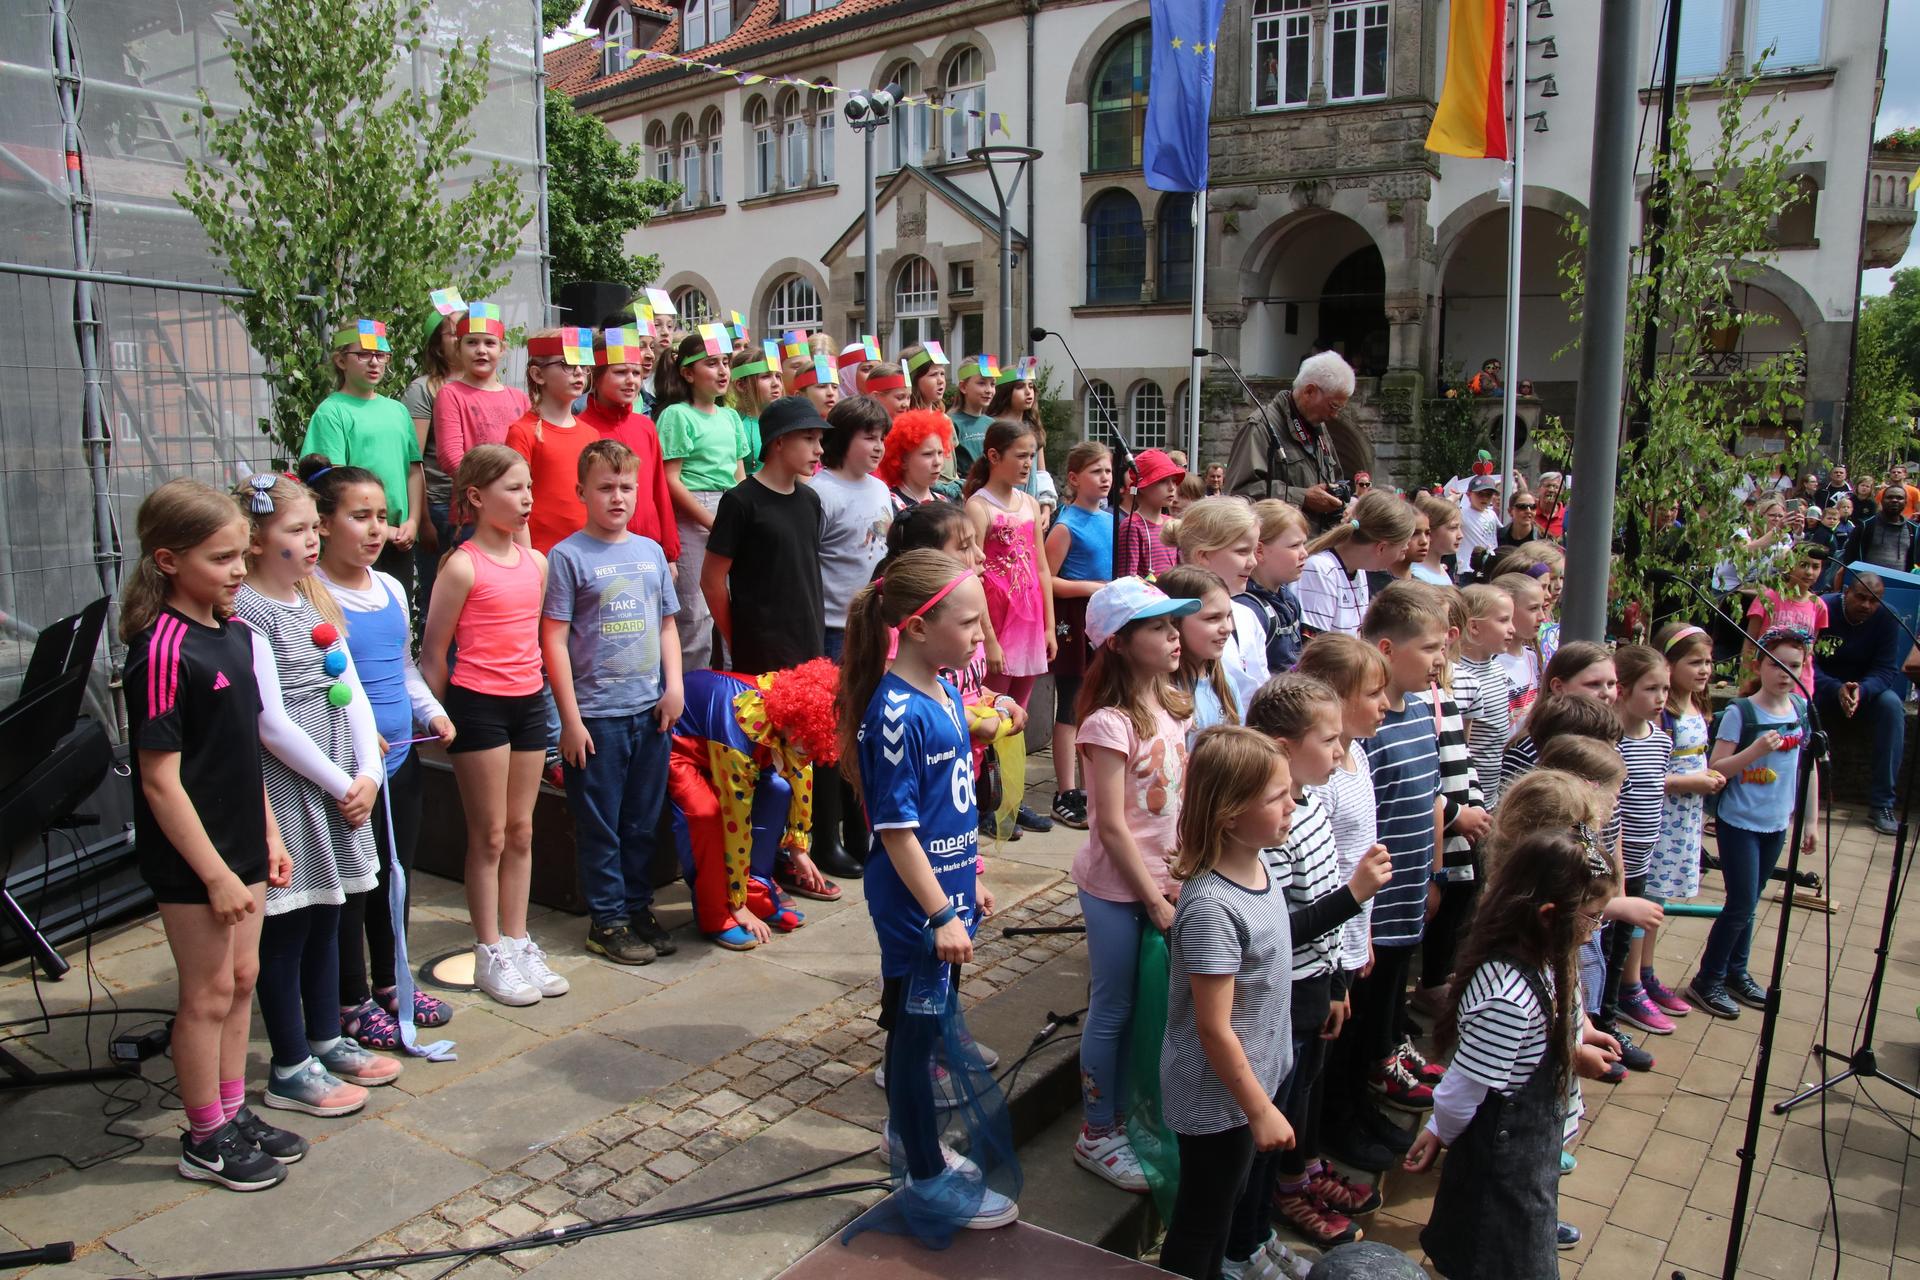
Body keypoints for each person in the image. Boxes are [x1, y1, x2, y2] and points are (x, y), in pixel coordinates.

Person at [123, 479, 301, 1190]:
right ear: (168, 561)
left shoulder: (233, 634)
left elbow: (240, 749)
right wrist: (217, 875)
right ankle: (204, 1136)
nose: (237, 570)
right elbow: (161, 780)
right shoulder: (161, 651)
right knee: (204, 994)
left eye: (240, 555)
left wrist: (269, 835)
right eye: (222, 558)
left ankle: (231, 1112)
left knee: (241, 979)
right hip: (194, 860)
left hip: (243, 845)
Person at [839, 549, 1021, 1234]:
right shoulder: (893, 713)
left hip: (945, 899)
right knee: (914, 1041)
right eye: (969, 622)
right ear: (916, 627)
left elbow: (951, 809)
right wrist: (942, 911)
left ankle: (910, 1138)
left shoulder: (945, 690)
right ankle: (922, 1169)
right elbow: (895, 831)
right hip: (916, 912)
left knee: (928, 1027)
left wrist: (969, 879)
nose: (981, 635)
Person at [230, 473, 393, 1116]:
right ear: (256, 541)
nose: (312, 538)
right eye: (295, 530)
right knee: (289, 925)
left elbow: (345, 687)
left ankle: (327, 1036)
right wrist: (338, 778)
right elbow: (270, 721)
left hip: (341, 781)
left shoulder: (312, 597)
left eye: (311, 527)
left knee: (331, 915)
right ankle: (290, 1062)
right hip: (290, 784)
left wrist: (368, 775)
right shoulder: (247, 611)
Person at [1405, 828, 1621, 1279]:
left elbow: (1546, 1031)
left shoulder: (1544, 953)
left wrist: (1576, 1043)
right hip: (1503, 1167)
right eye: (1594, 917)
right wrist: (1440, 1131)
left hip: (1531, 1155)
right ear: (1548, 914)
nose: (1598, 928)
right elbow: (1465, 1084)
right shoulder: (1507, 998)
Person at [307, 462, 456, 1046]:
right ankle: (350, 997)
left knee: (396, 879)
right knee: (353, 888)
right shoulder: (313, 596)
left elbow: (401, 669)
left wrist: (433, 713)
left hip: (401, 767)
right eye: (359, 516)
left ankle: (393, 979)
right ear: (322, 525)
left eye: (382, 517)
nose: (375, 530)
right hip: (347, 774)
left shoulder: (391, 587)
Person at [1245, 677, 1393, 1257]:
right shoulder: (1270, 827)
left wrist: (1336, 983)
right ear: (1283, 747)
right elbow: (1277, 932)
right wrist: (1355, 896)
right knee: (1271, 1126)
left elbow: (1322, 894)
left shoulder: (1309, 804)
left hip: (1313, 991)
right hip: (1279, 1000)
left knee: (1298, 1103)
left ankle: (1262, 1228)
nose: (1341, 752)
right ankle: (1250, 1238)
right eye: (1329, 740)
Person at [419, 446, 567, 1008]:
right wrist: (437, 718)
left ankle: (519, 938)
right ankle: (489, 951)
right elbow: (434, 653)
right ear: (477, 498)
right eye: (513, 488)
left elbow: (538, 640)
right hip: (478, 706)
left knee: (523, 830)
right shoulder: (461, 564)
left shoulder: (536, 563)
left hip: (529, 703)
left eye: (530, 486)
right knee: (489, 835)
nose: (527, 497)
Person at [1069, 578, 1200, 1192]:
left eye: (1175, 625)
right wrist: (1151, 895)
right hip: (1118, 890)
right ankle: (1097, 1130)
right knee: (1114, 1006)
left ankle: (1131, 1110)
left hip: (1166, 885)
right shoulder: (1107, 725)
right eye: (1158, 627)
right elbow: (1112, 825)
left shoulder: (1175, 704)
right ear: (1119, 643)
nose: (1174, 636)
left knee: (1150, 1004)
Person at [1156, 727, 1299, 1280]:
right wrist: (1259, 1108)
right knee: (1201, 1222)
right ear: (1230, 814)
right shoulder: (1212, 905)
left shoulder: (1263, 865)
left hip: (1251, 1080)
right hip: (1217, 1097)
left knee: (1227, 1204)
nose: (1293, 805)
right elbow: (1214, 1028)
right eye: (1277, 798)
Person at [541, 440, 683, 965]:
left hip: (649, 711)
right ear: (582, 492)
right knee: (601, 824)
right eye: (605, 487)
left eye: (626, 487)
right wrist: (569, 720)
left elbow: (667, 624)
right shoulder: (567, 556)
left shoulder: (648, 551)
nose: (617, 497)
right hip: (597, 716)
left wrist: (675, 687)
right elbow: (553, 639)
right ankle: (608, 920)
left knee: (642, 821)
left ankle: (637, 905)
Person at [1330, 583, 1449, 1142]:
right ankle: (1346, 1117)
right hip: (1369, 910)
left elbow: (1430, 800)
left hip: (1406, 899)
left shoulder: (1421, 711)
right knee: (1356, 1023)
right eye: (1429, 649)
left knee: (1384, 1013)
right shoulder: (1365, 734)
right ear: (1386, 649)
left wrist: (1432, 875)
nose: (1439, 661)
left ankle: (1370, 1092)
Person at [1295, 634, 1397, 1173]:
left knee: (1329, 1061)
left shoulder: (1355, 759)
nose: (1385, 704)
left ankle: (1319, 1151)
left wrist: (1366, 936)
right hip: (1321, 951)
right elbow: (1324, 877)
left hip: (1348, 941)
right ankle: (1304, 1166)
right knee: (1311, 1073)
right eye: (1373, 693)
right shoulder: (1323, 780)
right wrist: (1336, 970)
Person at [1688, 626, 1816, 1019]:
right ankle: (1707, 979)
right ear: (1758, 665)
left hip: (1776, 823)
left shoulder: (1800, 711)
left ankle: (1735, 972)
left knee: (1750, 904)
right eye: (1776, 664)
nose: (1784, 673)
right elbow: (1716, 769)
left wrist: (1809, 821)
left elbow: (1807, 771)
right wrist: (1756, 750)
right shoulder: (1741, 713)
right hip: (1739, 822)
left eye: (1794, 665)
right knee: (1741, 902)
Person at [669, 661, 840, 947]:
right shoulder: (741, 722)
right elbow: (735, 817)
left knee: (778, 789)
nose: (806, 750)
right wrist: (735, 904)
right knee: (705, 814)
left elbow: (800, 772)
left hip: (729, 749)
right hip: (682, 748)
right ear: (791, 720)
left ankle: (756, 892)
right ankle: (717, 912)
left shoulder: (797, 720)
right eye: (805, 742)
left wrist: (798, 845)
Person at [703, 395, 826, 677]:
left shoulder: (810, 499)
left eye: (819, 440)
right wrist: (737, 639)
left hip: (810, 644)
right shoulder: (740, 501)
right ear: (779, 442)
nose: (819, 450)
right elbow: (711, 581)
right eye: (808, 439)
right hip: (761, 652)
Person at [301, 319, 423, 586]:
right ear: (341, 361)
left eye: (381, 355)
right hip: (355, 537)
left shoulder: (398, 411)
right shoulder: (332, 412)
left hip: (398, 540)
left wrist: (413, 521)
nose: (374, 362)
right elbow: (333, 481)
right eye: (363, 354)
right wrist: (380, 526)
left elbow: (414, 470)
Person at [1643, 623, 1725, 1017]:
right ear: (1668, 664)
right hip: (1661, 818)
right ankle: (1637, 976)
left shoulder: (1697, 704)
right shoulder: (1664, 714)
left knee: (1657, 899)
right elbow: (1650, 774)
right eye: (1695, 661)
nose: (1705, 669)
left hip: (1686, 818)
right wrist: (1693, 780)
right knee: (1649, 896)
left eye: (1708, 661)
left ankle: (1646, 969)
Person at [657, 331, 750, 672]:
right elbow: (670, 480)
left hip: (731, 507)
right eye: (711, 363)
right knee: (696, 613)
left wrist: (743, 517)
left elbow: (739, 475)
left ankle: (733, 688)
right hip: (695, 512)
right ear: (687, 373)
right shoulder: (677, 415)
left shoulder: (729, 417)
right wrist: (715, 522)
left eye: (725, 362)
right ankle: (688, 695)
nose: (723, 370)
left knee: (735, 606)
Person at [965, 420, 1057, 734]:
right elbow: (973, 575)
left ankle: (1011, 781)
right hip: (997, 618)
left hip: (1029, 619)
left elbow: (1042, 568)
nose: (1028, 463)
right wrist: (988, 639)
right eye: (1020, 455)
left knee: (1020, 716)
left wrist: (1049, 626)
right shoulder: (978, 507)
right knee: (992, 708)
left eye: (1031, 455)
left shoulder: (1030, 503)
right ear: (993, 456)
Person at [1604, 645, 1675, 1041]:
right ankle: (1603, 1017)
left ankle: (1614, 1014)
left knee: (1621, 947)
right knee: (1605, 947)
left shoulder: (1661, 740)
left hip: (1643, 861)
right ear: (1624, 690)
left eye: (1665, 689)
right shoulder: (1612, 744)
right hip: (1614, 864)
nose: (1661, 698)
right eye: (1651, 689)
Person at [1045, 442, 1115, 830]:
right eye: (1095, 472)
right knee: (1071, 702)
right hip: (1075, 619)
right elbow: (1048, 580)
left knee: (1099, 703)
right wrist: (1090, 587)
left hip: (1104, 618)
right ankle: (1066, 790)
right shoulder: (1065, 525)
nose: (1105, 478)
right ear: (1074, 479)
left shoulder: (1111, 519)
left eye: (1107, 471)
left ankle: (1093, 785)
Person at [1225, 352, 1372, 535]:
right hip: (1276, 549)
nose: (1334, 415)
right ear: (1309, 391)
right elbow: (1237, 495)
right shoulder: (1261, 427)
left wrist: (1345, 504)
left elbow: (1336, 478)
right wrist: (1303, 497)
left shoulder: (1318, 426)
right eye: (1333, 406)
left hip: (1315, 544)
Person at [1812, 571, 1906, 835]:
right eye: (1861, 597)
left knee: (1892, 707)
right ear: (1847, 593)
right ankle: (1799, 793)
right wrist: (1835, 688)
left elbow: (1886, 670)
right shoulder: (1824, 607)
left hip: (1864, 690)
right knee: (1800, 704)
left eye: (1874, 600)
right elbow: (1808, 662)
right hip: (1825, 686)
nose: (1866, 605)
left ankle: (1882, 803)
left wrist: (1861, 691)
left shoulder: (1887, 617)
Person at [575, 325, 681, 561]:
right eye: (621, 372)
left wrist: (670, 551)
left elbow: (659, 489)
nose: (631, 380)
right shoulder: (582, 429)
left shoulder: (645, 426)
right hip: (600, 550)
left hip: (648, 547)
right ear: (596, 374)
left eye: (635, 373)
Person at [1165, 497, 1272, 710]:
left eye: (1253, 551)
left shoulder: (1247, 616)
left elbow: (1259, 687)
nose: (1253, 562)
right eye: (1242, 551)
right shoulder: (1169, 617)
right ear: (1203, 555)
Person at [504, 329, 597, 554]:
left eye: (583, 365)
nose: (578, 372)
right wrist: (528, 559)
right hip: (542, 553)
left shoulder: (591, 434)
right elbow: (516, 500)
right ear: (538, 374)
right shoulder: (522, 432)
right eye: (566, 364)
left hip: (586, 553)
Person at [404, 297, 466, 595]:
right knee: (438, 593)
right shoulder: (423, 390)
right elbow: (413, 457)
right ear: (437, 345)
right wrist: (424, 520)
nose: (463, 338)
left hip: (477, 507)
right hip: (440, 505)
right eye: (454, 333)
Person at [1296, 491, 1417, 639]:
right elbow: (1315, 647)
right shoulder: (1320, 570)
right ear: (1381, 548)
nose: (1404, 553)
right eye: (1402, 547)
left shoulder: (1359, 570)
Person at [432, 302, 530, 479]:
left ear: (502, 349)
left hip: (515, 498)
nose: (481, 350)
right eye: (472, 342)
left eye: (490, 343)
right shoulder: (451, 394)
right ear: (458, 348)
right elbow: (450, 457)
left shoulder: (520, 398)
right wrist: (491, 488)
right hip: (474, 497)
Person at [1452, 584, 1515, 810]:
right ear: (1474, 626)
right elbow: (1461, 745)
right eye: (1503, 620)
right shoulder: (1461, 678)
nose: (1512, 629)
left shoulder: (1498, 670)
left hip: (1491, 792)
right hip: (1468, 797)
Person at [1161, 567, 1242, 735]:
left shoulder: (1227, 685)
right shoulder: (1159, 693)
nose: (1227, 628)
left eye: (1228, 616)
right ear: (1173, 622)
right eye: (1212, 618)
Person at [1236, 499, 1310, 676]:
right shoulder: (1249, 610)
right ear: (1259, 551)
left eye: (1303, 544)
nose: (1304, 553)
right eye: (1294, 545)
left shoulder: (1288, 598)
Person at [1744, 543, 1827, 694]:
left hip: (1800, 686)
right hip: (1765, 681)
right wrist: (1745, 681)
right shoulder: (1768, 598)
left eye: (1816, 567)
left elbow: (1809, 649)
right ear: (1790, 564)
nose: (1809, 572)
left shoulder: (1819, 606)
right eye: (1803, 565)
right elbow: (1750, 643)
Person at [1115, 448, 1185, 579]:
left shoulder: (1171, 522)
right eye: (1162, 481)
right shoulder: (1133, 526)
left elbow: (1180, 568)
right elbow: (1128, 579)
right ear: (1142, 487)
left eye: (1173, 481)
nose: (1172, 488)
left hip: (1172, 597)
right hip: (1147, 597)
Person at [1492, 572, 1547, 731]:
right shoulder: (1492, 662)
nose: (1542, 617)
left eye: (1542, 607)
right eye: (1533, 608)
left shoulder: (1532, 656)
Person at [877, 408, 954, 515]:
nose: (937, 462)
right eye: (927, 454)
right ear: (903, 460)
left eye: (940, 453)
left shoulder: (945, 502)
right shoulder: (888, 506)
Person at [728, 341, 786, 473]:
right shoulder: (736, 426)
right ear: (741, 385)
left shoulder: (786, 421)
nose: (776, 383)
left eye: (777, 376)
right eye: (765, 376)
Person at [1843, 483, 1920, 573]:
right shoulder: (1865, 526)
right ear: (1882, 501)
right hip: (1867, 583)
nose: (1894, 500)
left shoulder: (1914, 529)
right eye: (1889, 497)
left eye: (1899, 498)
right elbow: (1849, 557)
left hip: (1900, 584)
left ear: (1905, 502)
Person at [948, 352, 999, 474]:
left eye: (992, 384)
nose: (989, 390)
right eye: (981, 383)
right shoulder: (951, 422)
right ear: (963, 387)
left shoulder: (992, 424)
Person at [1411, 492, 1461, 586]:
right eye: (1453, 528)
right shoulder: (1420, 576)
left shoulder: (1438, 569)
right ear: (1430, 530)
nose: (1460, 535)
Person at [1457, 476, 1501, 574]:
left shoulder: (1492, 514)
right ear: (1468, 495)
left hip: (1490, 566)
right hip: (1469, 568)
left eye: (1488, 495)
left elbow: (1502, 531)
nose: (1484, 498)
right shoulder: (1461, 513)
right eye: (1480, 494)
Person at [1533, 472, 1567, 540]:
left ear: (1562, 492)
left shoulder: (1567, 516)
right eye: (1548, 486)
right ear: (1539, 489)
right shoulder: (1530, 512)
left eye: (1556, 487)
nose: (1551, 490)